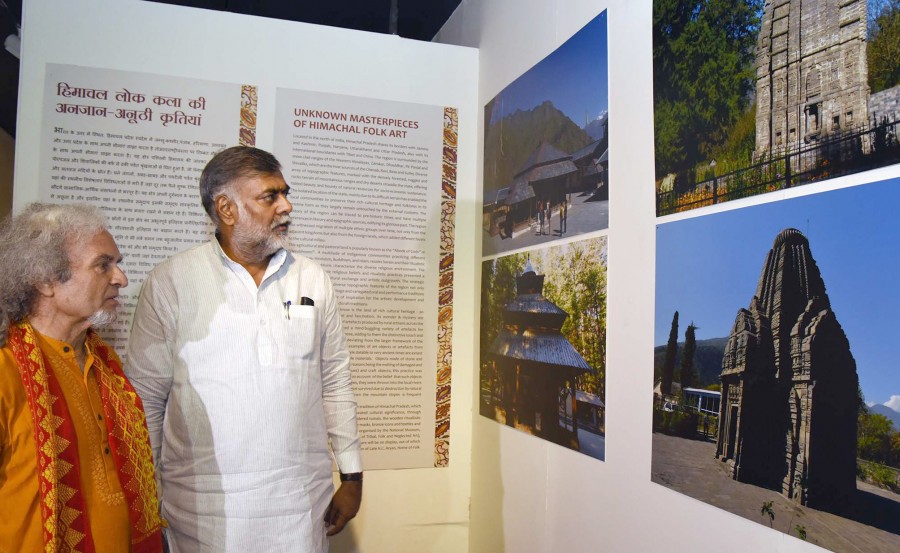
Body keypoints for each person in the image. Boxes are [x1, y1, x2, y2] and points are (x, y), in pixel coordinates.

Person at [126, 146, 362, 552]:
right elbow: (144, 400)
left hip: (300, 507)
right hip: (203, 514)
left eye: (285, 193)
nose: (286, 206)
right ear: (226, 209)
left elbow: (335, 382)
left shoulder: (312, 279)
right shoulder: (171, 282)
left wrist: (352, 475)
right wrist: (145, 499)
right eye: (270, 196)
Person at [0, 203, 164, 553]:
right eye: (103, 265)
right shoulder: (6, 369)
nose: (121, 279)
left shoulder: (105, 364)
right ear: (46, 280)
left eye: (117, 264)